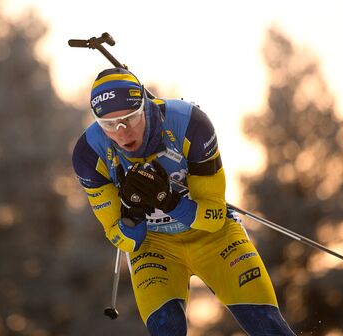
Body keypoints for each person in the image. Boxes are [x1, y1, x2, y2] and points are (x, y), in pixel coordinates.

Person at [72, 67, 295, 335]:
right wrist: (133, 212)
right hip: (155, 245)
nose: (122, 132)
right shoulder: (88, 153)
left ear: (145, 104)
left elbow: (213, 217)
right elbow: (122, 239)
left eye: (130, 119)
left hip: (214, 239)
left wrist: (168, 201)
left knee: (267, 326)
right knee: (167, 328)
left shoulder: (190, 124)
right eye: (109, 125)